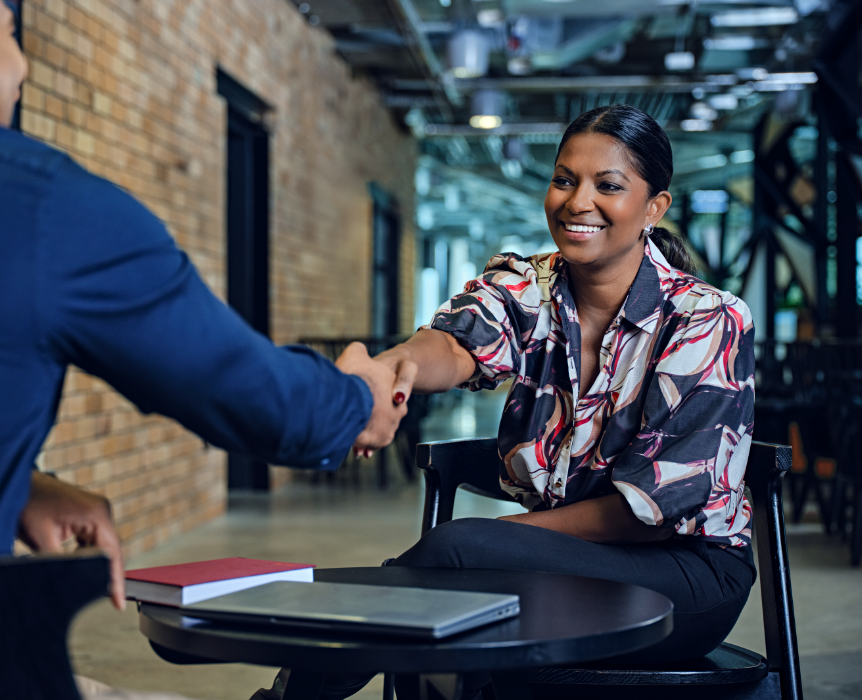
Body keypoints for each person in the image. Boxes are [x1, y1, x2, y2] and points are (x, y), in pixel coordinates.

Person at [0, 0, 416, 695]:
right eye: (9, 31)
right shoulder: (35, 204)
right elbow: (250, 393)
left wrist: (17, 486)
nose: (23, 65)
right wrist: (359, 399)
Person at [262, 103, 756, 698]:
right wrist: (390, 371)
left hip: (684, 576)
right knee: (446, 593)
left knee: (458, 556)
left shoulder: (707, 319)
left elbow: (648, 513)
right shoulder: (531, 286)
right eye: (565, 179)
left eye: (608, 186)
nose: (578, 202)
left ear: (654, 207)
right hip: (561, 562)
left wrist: (508, 540)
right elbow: (457, 341)